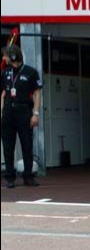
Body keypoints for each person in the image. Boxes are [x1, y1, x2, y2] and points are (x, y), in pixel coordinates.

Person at [1, 44, 42, 188]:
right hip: (8, 113)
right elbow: (3, 93)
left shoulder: (31, 72)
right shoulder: (5, 73)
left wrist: (35, 114)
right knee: (8, 146)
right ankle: (10, 177)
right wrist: (1, 112)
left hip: (24, 112)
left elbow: (37, 93)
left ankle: (28, 176)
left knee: (27, 145)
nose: (4, 58)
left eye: (5, 55)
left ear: (13, 56)